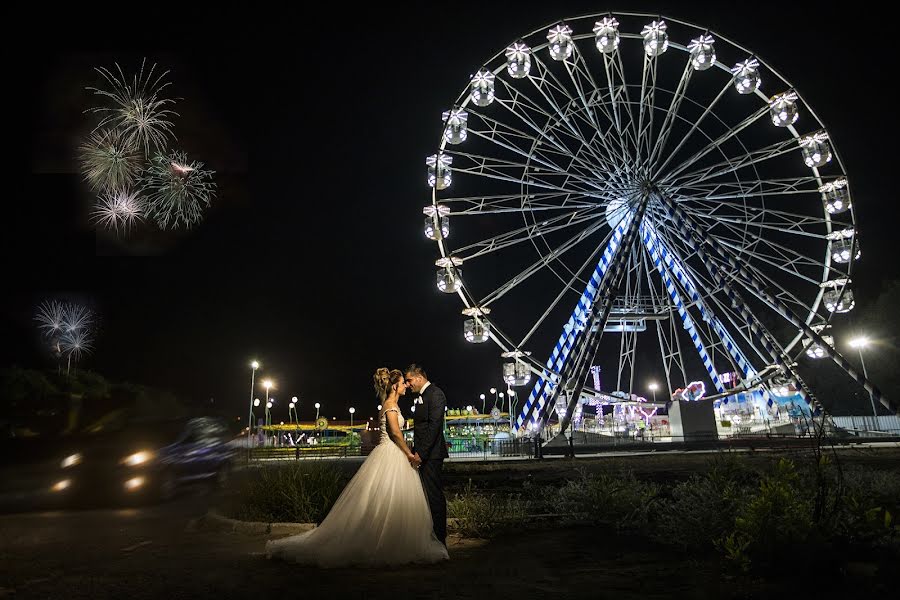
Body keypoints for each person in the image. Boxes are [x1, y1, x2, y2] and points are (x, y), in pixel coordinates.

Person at [265, 368, 448, 567]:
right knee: (389, 499)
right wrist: (410, 454)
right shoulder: (391, 406)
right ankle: (388, 542)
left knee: (388, 500)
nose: (406, 385)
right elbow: (395, 434)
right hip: (393, 453)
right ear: (395, 386)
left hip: (392, 454)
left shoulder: (392, 404)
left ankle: (390, 538)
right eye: (404, 382)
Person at [404, 364, 449, 547]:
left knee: (434, 495)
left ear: (419, 377)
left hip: (432, 455)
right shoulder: (423, 396)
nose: (407, 385)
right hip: (424, 453)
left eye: (409, 380)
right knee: (426, 496)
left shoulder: (436, 394)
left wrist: (421, 453)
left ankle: (440, 539)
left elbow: (434, 427)